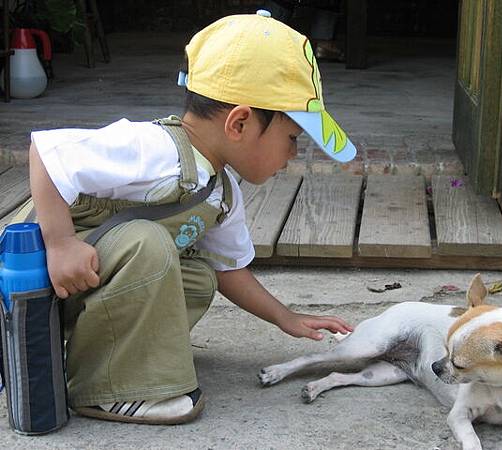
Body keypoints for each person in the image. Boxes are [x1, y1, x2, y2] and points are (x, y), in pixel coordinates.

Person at [19, 10, 357, 425]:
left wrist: (285, 317)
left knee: (198, 277)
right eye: (292, 139)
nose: (292, 156)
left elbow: (230, 270)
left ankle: (122, 361)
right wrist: (59, 242)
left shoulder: (220, 191)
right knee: (149, 242)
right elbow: (48, 153)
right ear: (240, 122)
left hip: (90, 283)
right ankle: (108, 391)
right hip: (48, 281)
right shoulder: (154, 148)